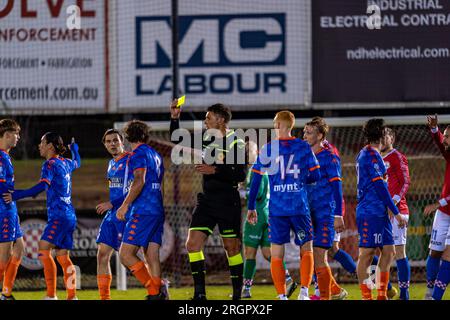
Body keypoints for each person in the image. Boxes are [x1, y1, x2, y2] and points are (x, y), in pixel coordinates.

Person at [170, 100, 246, 300]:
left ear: (220, 120)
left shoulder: (236, 140)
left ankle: (238, 294)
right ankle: (200, 294)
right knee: (192, 244)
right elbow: (177, 140)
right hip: (207, 201)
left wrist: (215, 170)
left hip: (228, 200)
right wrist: (175, 118)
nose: (205, 121)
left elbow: (240, 174)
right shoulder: (205, 138)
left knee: (232, 248)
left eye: (208, 117)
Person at [248, 110, 320, 300]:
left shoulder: (268, 149)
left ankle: (281, 296)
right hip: (298, 206)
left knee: (277, 253)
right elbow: (316, 175)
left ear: (279, 125)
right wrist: (300, 179)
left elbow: (255, 179)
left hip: (277, 208)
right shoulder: (303, 147)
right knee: (307, 248)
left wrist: (251, 207)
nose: (274, 127)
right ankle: (304, 292)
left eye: (274, 124)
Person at [4, 132, 81, 300]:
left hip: (59, 216)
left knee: (43, 249)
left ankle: (51, 295)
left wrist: (17, 195)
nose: (39, 145)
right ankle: (72, 296)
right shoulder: (66, 162)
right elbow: (77, 163)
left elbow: (41, 187)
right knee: (63, 256)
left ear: (50, 146)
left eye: (42, 142)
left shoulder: (50, 164)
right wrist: (75, 150)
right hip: (70, 215)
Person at [355, 119, 407, 300]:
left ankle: (382, 295)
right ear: (379, 136)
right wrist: (396, 211)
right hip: (371, 211)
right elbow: (380, 188)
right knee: (367, 254)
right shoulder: (371, 156)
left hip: (377, 211)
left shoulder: (366, 153)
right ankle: (367, 297)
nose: (387, 136)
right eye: (384, 133)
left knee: (389, 251)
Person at [116, 120, 166, 300]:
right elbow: (160, 184)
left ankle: (154, 292)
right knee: (151, 254)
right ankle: (161, 290)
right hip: (157, 208)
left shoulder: (137, 154)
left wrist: (125, 204)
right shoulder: (156, 154)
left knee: (125, 255)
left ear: (128, 137)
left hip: (143, 210)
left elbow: (139, 180)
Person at [241, 141, 297, 299]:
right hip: (268, 214)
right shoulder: (266, 168)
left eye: (248, 150)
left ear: (256, 151)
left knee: (249, 253)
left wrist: (241, 192)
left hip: (257, 215)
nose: (246, 153)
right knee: (268, 253)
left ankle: (246, 289)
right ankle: (287, 279)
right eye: (245, 150)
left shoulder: (254, 170)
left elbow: (256, 194)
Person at [303, 117, 348, 300]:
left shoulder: (329, 156)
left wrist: (338, 215)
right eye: (304, 132)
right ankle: (332, 291)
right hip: (307, 212)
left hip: (325, 212)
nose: (305, 135)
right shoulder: (303, 156)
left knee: (320, 254)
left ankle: (325, 296)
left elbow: (337, 187)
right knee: (310, 254)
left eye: (309, 132)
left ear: (320, 135)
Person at [95, 129, 131, 300]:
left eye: (115, 140)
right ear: (105, 145)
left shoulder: (131, 160)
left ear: (122, 142)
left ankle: (157, 287)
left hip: (127, 213)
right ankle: (105, 298)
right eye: (108, 141)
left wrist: (113, 204)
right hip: (112, 214)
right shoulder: (111, 163)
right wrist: (112, 205)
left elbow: (135, 189)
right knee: (102, 254)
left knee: (132, 258)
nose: (112, 144)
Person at [380, 127, 411, 300]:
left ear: (392, 138)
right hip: (380, 212)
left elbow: (406, 182)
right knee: (375, 252)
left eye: (385, 136)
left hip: (397, 212)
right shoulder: (376, 158)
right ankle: (388, 288)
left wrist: (394, 205)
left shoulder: (397, 157)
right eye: (380, 136)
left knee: (399, 252)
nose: (382, 139)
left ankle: (404, 294)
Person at [422, 114, 450, 300]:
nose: (445, 139)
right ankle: (430, 292)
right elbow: (441, 144)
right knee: (434, 252)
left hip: (442, 207)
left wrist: (436, 204)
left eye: (448, 136)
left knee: (448, 256)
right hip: (444, 213)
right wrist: (435, 129)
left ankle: (436, 297)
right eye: (445, 135)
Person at [0, 119, 24, 300]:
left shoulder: (6, 156)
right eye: (16, 134)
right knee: (5, 254)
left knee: (20, 248)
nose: (18, 137)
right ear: (7, 135)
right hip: (3, 208)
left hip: (10, 208)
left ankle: (6, 292)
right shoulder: (0, 157)